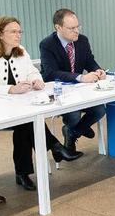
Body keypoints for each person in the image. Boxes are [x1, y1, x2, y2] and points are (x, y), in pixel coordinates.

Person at [0, 16, 82, 190]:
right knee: (26, 122)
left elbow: (33, 72)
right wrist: (11, 89)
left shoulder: (21, 51)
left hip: (19, 106)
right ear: (0, 34)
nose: (18, 35)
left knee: (25, 122)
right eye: (13, 32)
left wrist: (36, 80)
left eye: (19, 32)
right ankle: (55, 147)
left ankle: (24, 172)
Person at [39, 8, 106, 153]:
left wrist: (98, 70)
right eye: (71, 28)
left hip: (80, 90)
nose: (76, 31)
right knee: (74, 114)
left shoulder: (82, 40)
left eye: (78, 26)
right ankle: (78, 129)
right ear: (58, 27)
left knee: (100, 110)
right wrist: (80, 77)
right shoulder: (47, 44)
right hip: (60, 92)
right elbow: (51, 73)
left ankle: (72, 132)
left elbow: (89, 61)